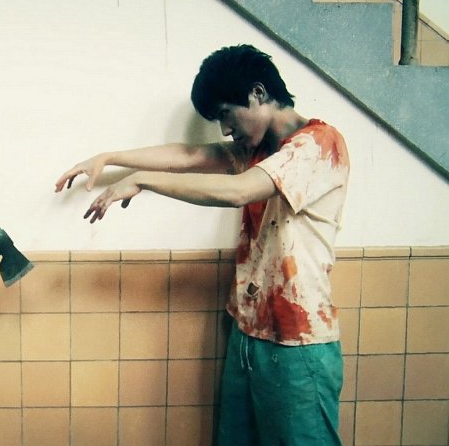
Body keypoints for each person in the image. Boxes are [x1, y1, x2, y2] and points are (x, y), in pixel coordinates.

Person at [55, 44, 349, 445]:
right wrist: (109, 158)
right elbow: (189, 154)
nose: (225, 129)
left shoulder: (318, 144)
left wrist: (143, 181)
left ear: (258, 92)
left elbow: (240, 191)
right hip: (248, 333)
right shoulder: (258, 151)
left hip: (298, 340)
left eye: (226, 113)